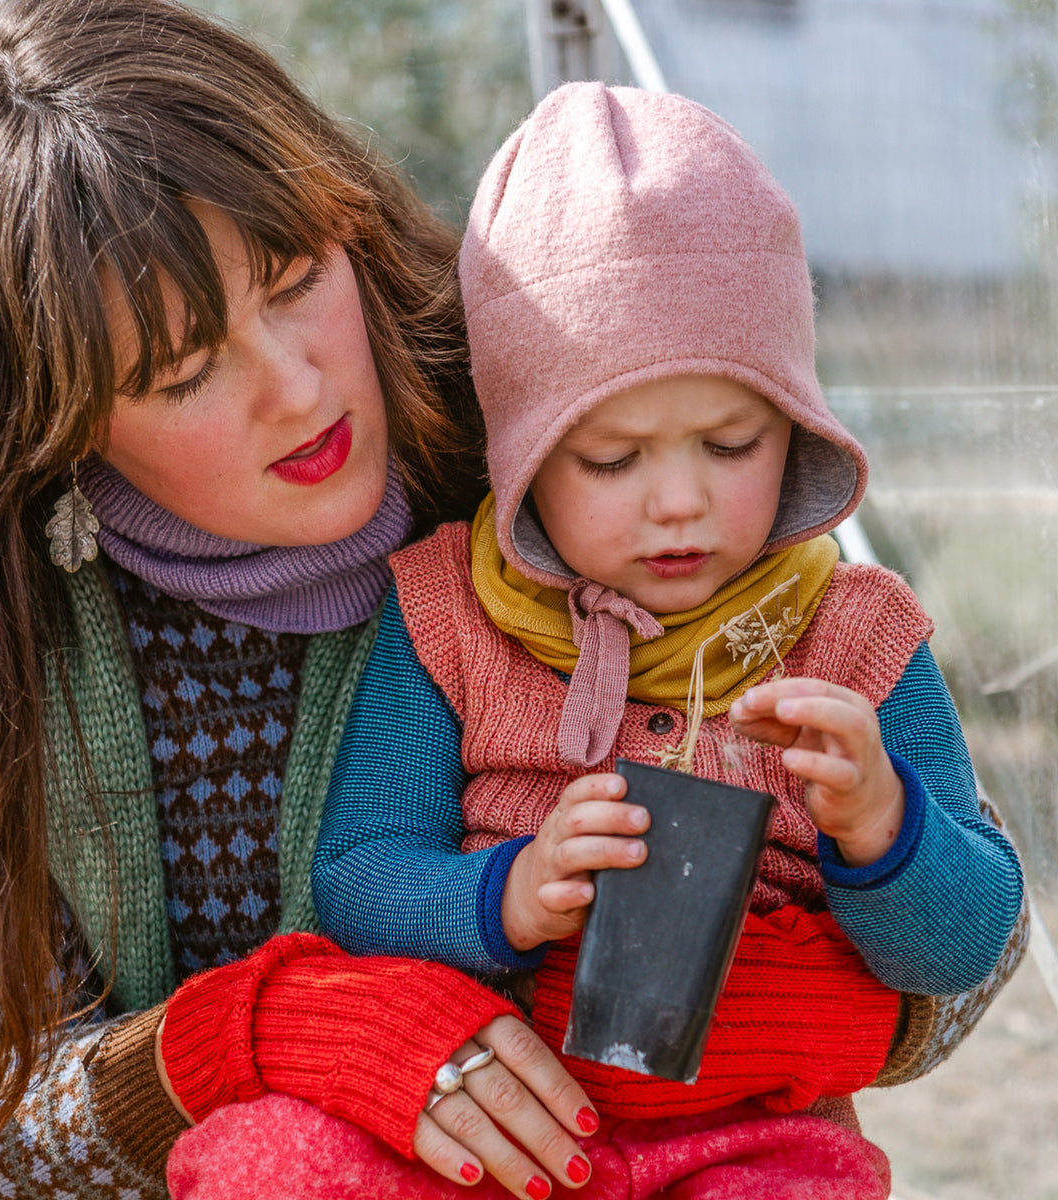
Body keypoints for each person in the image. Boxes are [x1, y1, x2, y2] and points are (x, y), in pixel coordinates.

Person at [0, 5, 629, 1197]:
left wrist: (843, 995)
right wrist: (247, 1037)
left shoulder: (571, 464)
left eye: (294, 278)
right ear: (48, 424)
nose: (298, 385)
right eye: (183, 371)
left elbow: (958, 954)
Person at [306, 85, 1021, 1198]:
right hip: (493, 1129)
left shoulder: (857, 636)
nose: (679, 502)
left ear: (796, 425)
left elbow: (969, 944)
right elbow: (355, 876)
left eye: (732, 442)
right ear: (524, 458)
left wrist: (884, 826)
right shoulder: (448, 615)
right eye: (610, 460)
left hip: (753, 1142)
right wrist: (509, 893)